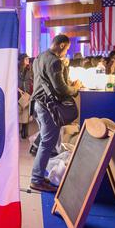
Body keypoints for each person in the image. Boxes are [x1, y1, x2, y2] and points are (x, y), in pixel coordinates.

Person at [30, 35, 82, 192]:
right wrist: (75, 89)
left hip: (39, 103)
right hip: (47, 106)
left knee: (47, 142)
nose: (66, 52)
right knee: (47, 143)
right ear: (61, 45)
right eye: (66, 48)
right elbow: (61, 88)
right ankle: (36, 179)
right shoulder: (54, 61)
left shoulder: (40, 57)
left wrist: (65, 67)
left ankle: (38, 176)